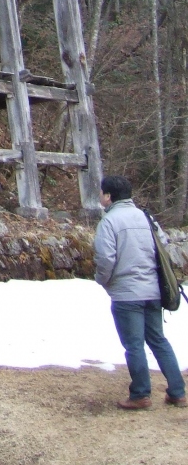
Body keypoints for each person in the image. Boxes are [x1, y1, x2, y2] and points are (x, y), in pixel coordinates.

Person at [93, 174, 186, 410]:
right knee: (158, 340)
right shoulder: (147, 217)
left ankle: (140, 395)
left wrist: (103, 281)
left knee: (134, 345)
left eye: (102, 193)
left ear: (108, 196)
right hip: (153, 290)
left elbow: (105, 259)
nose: (100, 197)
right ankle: (178, 392)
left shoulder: (109, 222)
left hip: (126, 294)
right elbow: (163, 246)